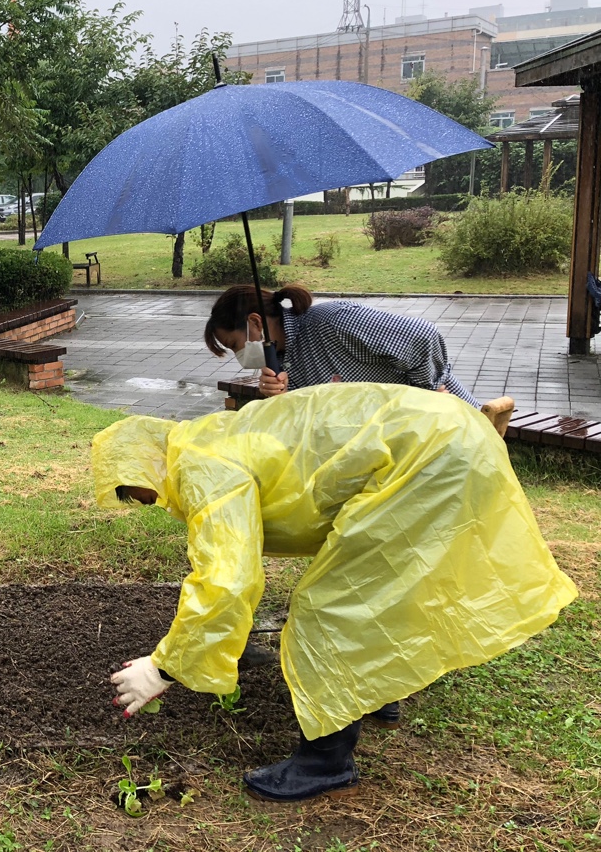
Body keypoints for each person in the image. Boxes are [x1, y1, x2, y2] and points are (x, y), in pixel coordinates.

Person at [95, 384, 576, 802]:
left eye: (136, 493)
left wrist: (163, 667)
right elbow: (247, 552)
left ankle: (327, 761)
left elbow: (226, 576)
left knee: (333, 607)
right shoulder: (204, 437)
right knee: (385, 582)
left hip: (428, 453)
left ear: (144, 467)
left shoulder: (199, 469)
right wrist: (228, 646)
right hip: (449, 435)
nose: (150, 503)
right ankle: (376, 693)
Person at [205, 284, 477, 405]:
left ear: (255, 322)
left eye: (234, 344)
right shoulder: (282, 360)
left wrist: (426, 394)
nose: (238, 354)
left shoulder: (331, 322)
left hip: (450, 418)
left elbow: (421, 335)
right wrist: (281, 399)